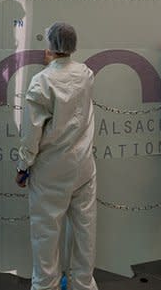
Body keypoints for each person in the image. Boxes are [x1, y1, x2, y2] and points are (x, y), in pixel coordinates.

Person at [17, 22, 98, 290]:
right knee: (84, 231)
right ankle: (83, 284)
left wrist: (23, 165)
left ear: (50, 46)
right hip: (84, 165)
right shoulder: (86, 74)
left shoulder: (42, 81)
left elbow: (32, 131)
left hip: (51, 168)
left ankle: (45, 286)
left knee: (46, 233)